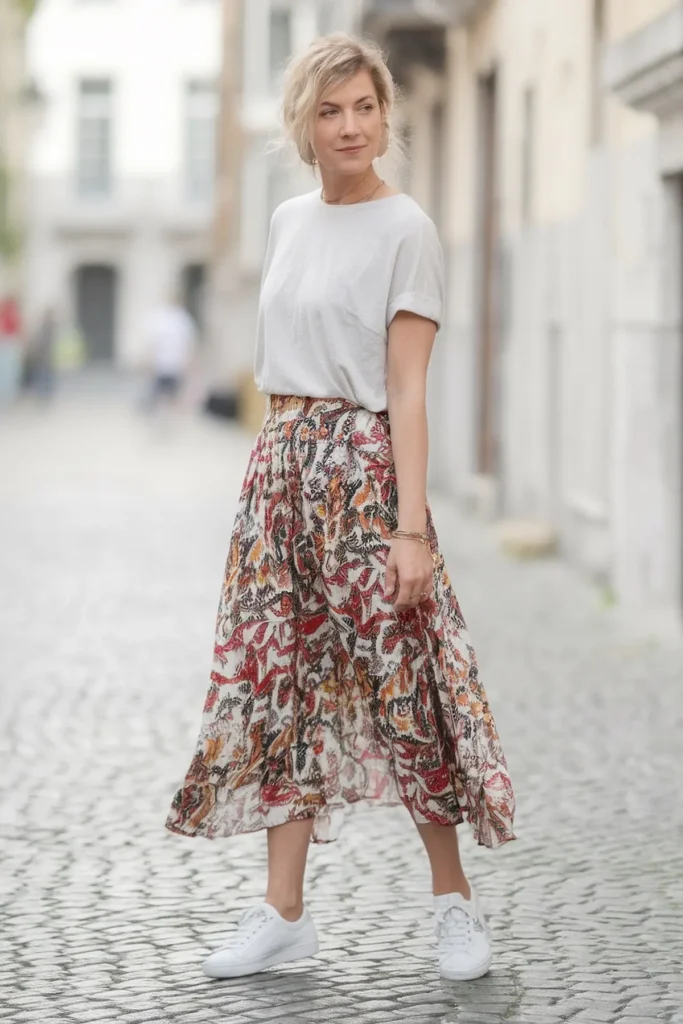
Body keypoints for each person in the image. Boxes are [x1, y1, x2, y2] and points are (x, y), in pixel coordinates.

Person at [166, 34, 516, 983]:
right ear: (304, 126)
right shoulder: (285, 220)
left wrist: (409, 528)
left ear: (384, 115)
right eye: (330, 111)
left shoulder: (407, 229)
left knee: (405, 684)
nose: (350, 125)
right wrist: (277, 476)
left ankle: (454, 908)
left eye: (363, 106)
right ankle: (282, 914)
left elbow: (406, 390)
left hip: (363, 475)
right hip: (278, 470)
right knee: (276, 682)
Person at [144, 296, 196, 410]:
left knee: (173, 395)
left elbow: (188, 343)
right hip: (162, 363)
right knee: (160, 394)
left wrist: (189, 362)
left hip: (175, 364)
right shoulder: (161, 318)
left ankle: (169, 418)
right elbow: (152, 342)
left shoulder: (183, 319)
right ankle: (162, 418)